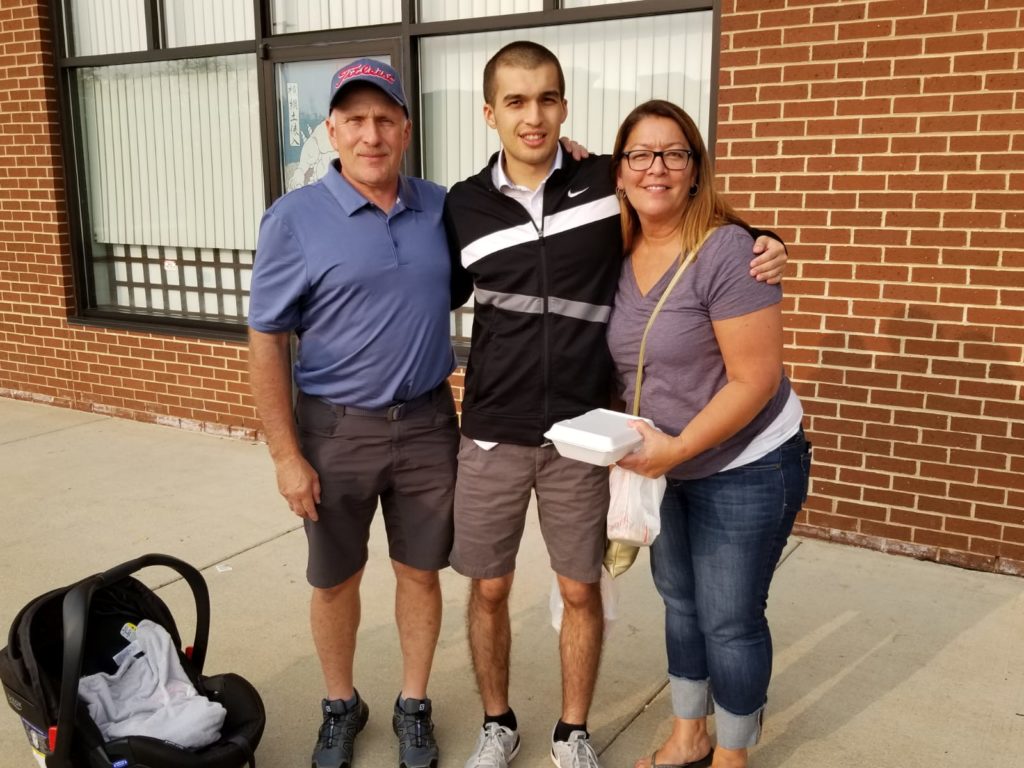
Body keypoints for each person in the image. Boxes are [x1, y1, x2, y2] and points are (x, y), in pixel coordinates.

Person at [443, 42, 789, 768]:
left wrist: (766, 240)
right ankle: (497, 723)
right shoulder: (461, 205)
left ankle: (573, 732)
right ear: (489, 113)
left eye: (546, 99)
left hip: (582, 432)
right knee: (490, 588)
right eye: (515, 101)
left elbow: (691, 213)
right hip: (493, 429)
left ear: (565, 107)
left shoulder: (605, 181)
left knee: (582, 589)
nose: (533, 116)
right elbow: (422, 286)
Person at [248, 59, 457, 768]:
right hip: (335, 431)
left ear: (405, 128)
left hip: (429, 425)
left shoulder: (440, 207)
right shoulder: (294, 218)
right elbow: (267, 339)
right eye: (356, 120)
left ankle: (413, 704)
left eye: (385, 119)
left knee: (420, 572)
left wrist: (577, 162)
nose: (372, 135)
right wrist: (286, 455)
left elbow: (522, 217)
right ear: (331, 130)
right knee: (334, 578)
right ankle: (341, 704)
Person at [605, 99, 813, 768]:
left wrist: (678, 448)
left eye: (674, 153)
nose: (656, 168)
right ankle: (689, 732)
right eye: (640, 154)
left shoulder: (727, 251)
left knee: (729, 617)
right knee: (680, 605)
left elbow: (754, 379)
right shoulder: (614, 250)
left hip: (746, 462)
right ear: (619, 171)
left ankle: (732, 753)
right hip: (664, 462)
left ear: (696, 169)